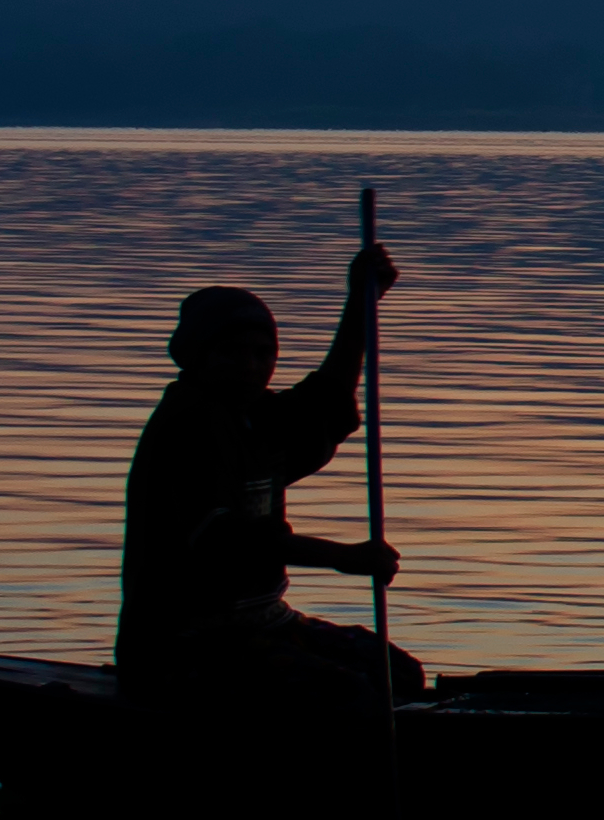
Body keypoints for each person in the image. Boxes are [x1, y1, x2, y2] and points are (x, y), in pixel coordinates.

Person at [120, 240, 427, 721]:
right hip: (185, 643)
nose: (250, 366)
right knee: (348, 697)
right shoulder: (186, 423)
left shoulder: (253, 415)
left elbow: (323, 405)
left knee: (396, 674)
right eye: (231, 352)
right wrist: (343, 556)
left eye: (263, 354)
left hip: (266, 623)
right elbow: (226, 539)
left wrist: (361, 301)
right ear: (196, 357)